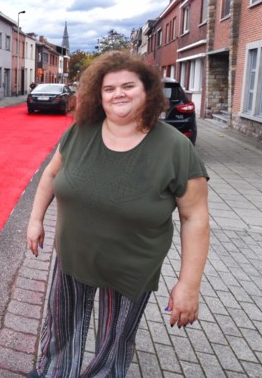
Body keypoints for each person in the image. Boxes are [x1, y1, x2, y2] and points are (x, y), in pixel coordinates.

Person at [25, 51, 209, 378]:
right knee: (60, 330)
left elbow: (194, 218)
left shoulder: (175, 148)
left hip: (131, 267)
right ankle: (53, 372)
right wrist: (36, 219)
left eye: (128, 86)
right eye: (109, 88)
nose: (118, 93)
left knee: (115, 342)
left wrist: (188, 284)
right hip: (72, 257)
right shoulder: (80, 132)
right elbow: (51, 175)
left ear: (147, 91)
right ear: (98, 94)